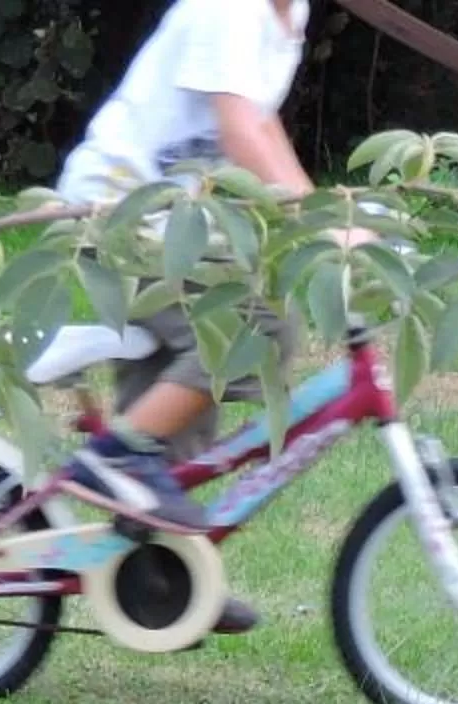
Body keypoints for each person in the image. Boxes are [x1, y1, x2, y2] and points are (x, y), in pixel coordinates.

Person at [49, 0, 349, 627]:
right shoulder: (229, 9)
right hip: (120, 208)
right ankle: (116, 458)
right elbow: (239, 129)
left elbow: (262, 124)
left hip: (180, 219)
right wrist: (323, 222)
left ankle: (158, 578)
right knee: (251, 328)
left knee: (186, 400)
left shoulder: (287, 14)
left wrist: (320, 211)